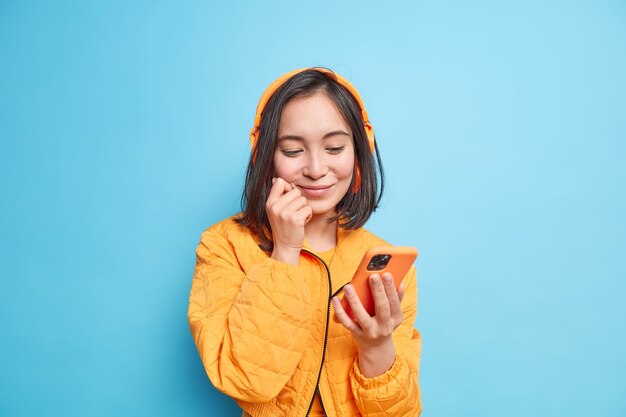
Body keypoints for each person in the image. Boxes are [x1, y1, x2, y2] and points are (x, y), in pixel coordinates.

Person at [188, 67, 422, 417]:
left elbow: (401, 414)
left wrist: (376, 346)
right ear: (264, 157)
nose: (315, 168)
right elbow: (243, 380)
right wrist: (284, 254)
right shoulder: (224, 246)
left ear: (359, 152)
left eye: (334, 148)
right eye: (293, 151)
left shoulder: (382, 261)